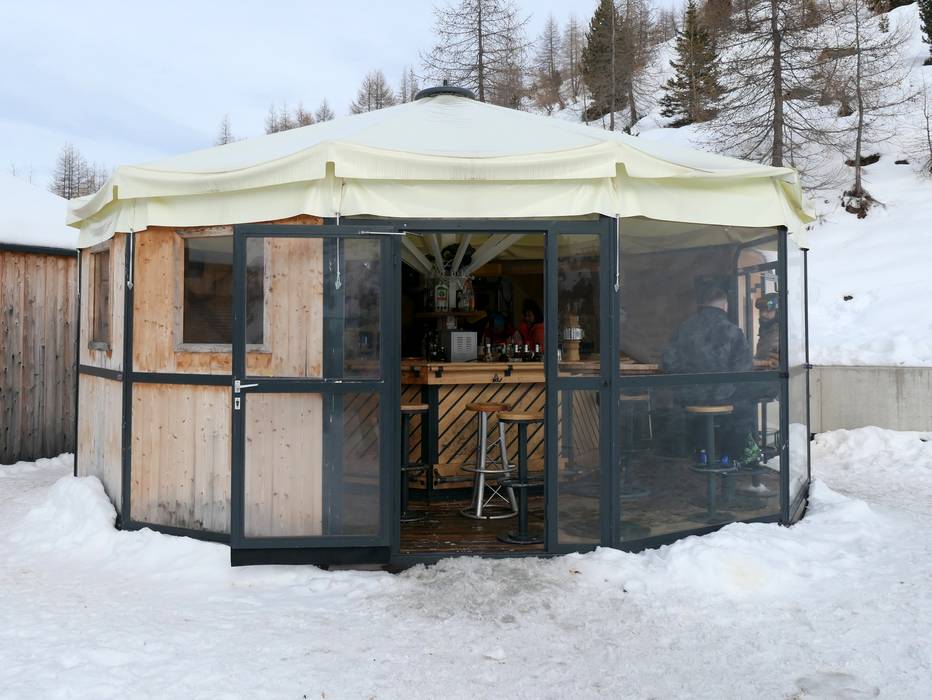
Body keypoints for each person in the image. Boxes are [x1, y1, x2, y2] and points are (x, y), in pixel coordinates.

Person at [661, 278, 756, 463]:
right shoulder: (732, 331)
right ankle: (731, 458)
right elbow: (743, 370)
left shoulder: (684, 328)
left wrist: (684, 386)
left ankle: (702, 453)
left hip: (688, 398)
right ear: (725, 305)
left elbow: (668, 361)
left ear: (702, 304)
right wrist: (724, 391)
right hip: (722, 398)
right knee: (745, 408)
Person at [754, 292, 780, 367]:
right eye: (761, 310)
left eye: (768, 311)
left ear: (778, 312)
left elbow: (773, 365)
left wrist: (750, 363)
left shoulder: (779, 336)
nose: (763, 314)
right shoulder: (767, 332)